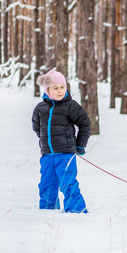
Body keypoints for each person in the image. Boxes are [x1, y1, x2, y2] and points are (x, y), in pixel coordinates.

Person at [32, 70, 91, 213]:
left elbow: (85, 124)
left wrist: (79, 145)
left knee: (68, 183)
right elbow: (36, 127)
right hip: (47, 155)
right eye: (55, 88)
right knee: (47, 183)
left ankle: (76, 211)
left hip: (66, 155)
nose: (60, 91)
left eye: (62, 87)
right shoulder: (40, 108)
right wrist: (46, 141)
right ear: (47, 90)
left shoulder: (70, 106)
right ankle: (47, 210)